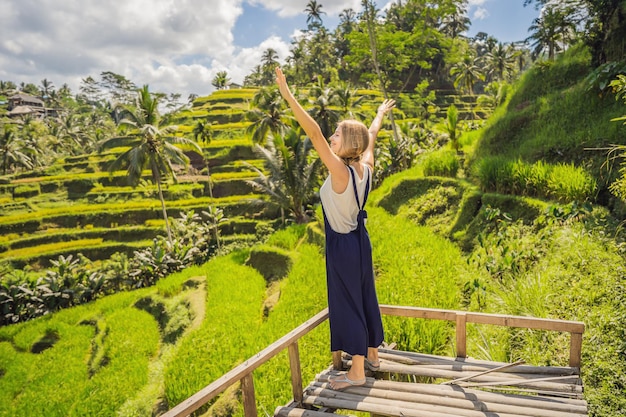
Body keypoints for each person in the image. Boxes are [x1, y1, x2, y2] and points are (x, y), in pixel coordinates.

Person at [275, 67, 395, 391]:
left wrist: (288, 95)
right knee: (365, 295)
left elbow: (313, 133)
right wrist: (380, 114)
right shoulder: (366, 167)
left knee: (349, 303)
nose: (331, 138)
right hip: (360, 240)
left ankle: (356, 372)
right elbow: (373, 133)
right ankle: (373, 354)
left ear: (348, 143)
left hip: (342, 245)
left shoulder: (340, 172)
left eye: (338, 135)